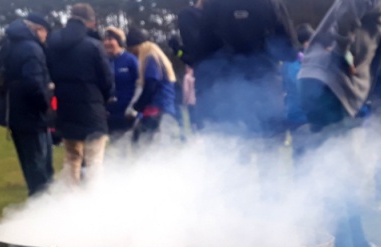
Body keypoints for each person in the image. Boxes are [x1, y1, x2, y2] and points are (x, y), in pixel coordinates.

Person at [297, 0, 381, 247]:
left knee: (349, 175)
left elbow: (374, 57)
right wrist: (343, 49)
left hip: (336, 89)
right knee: (337, 178)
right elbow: (346, 12)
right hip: (326, 86)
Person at [178, 0, 297, 140]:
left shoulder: (213, 5)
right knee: (269, 145)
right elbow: (289, 52)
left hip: (227, 90)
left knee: (230, 147)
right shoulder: (271, 3)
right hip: (265, 86)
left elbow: (203, 53)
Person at [46, 3, 114, 184]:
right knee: (94, 161)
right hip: (92, 109)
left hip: (66, 108)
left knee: (72, 158)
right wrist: (105, 100)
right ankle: (92, 201)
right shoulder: (94, 46)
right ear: (90, 22)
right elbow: (106, 80)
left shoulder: (53, 43)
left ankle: (70, 200)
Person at [0, 13, 54, 196]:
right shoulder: (32, 48)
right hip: (33, 117)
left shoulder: (10, 45)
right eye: (46, 32)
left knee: (31, 170)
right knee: (41, 173)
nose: (46, 37)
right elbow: (34, 83)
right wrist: (46, 106)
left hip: (15, 115)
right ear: (38, 29)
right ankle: (43, 214)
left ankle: (37, 211)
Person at [124, 28, 179, 143]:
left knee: (144, 145)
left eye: (133, 49)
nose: (134, 53)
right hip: (165, 109)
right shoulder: (158, 57)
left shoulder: (150, 58)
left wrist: (137, 107)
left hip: (156, 110)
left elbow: (151, 85)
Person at [102, 26, 139, 139]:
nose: (107, 43)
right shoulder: (103, 60)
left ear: (119, 42)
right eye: (105, 39)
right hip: (111, 114)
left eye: (111, 39)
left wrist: (134, 107)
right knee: (117, 149)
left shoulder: (130, 60)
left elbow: (140, 84)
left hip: (129, 112)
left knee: (136, 148)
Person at [182, 65, 197, 134]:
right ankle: (194, 130)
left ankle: (189, 131)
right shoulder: (192, 78)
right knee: (193, 116)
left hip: (188, 101)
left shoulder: (186, 77)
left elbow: (186, 90)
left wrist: (185, 101)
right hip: (193, 101)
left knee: (187, 116)